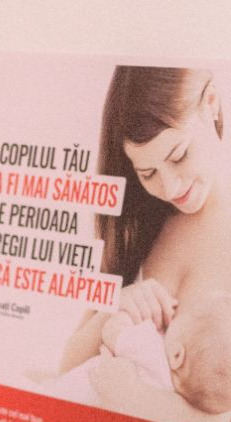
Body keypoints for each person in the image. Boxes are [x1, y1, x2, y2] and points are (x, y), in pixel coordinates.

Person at [61, 68, 231, 383]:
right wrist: (115, 308)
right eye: (147, 173)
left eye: (179, 156)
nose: (170, 188)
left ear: (211, 103)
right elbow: (67, 364)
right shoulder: (142, 223)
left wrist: (134, 398)